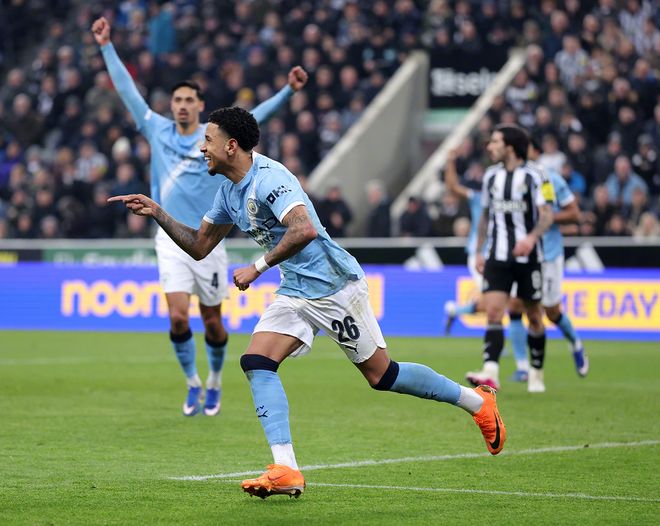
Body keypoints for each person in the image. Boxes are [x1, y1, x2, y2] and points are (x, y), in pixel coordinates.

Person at [110, 106, 507, 499]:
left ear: (231, 146)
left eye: (208, 141)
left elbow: (304, 230)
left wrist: (257, 268)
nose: (202, 148)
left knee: (382, 376)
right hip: (296, 290)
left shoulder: (270, 178)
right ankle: (286, 468)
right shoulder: (228, 192)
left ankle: (476, 402)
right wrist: (158, 212)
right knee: (257, 362)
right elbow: (200, 245)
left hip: (335, 286)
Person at [92, 17, 308, 416]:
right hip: (169, 238)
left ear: (198, 105)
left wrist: (287, 91)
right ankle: (192, 382)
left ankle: (214, 381)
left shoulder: (213, 141)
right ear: (171, 104)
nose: (181, 104)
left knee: (212, 322)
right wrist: (106, 45)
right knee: (178, 317)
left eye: (189, 99)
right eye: (177, 99)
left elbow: (256, 117)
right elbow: (126, 90)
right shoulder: (156, 130)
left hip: (207, 239)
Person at [465, 124, 554, 393]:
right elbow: (485, 216)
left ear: (510, 147)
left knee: (534, 316)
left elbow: (547, 214)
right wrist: (479, 250)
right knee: (493, 312)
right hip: (497, 255)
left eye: (495, 142)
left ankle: (536, 372)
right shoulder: (491, 176)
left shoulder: (537, 175)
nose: (489, 146)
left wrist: (531, 238)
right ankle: (490, 373)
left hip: (529, 258)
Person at [507, 139, 589, 383]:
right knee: (515, 307)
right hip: (521, 255)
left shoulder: (549, 179)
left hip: (549, 255)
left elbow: (574, 214)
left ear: (535, 152)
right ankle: (523, 367)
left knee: (552, 312)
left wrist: (545, 218)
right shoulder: (509, 180)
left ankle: (575, 342)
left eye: (526, 148)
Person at [442, 150, 485, 334]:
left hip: (503, 253)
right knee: (494, 300)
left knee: (498, 301)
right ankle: (494, 346)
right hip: (479, 254)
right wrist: (450, 161)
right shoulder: (479, 198)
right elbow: (453, 187)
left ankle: (455, 311)